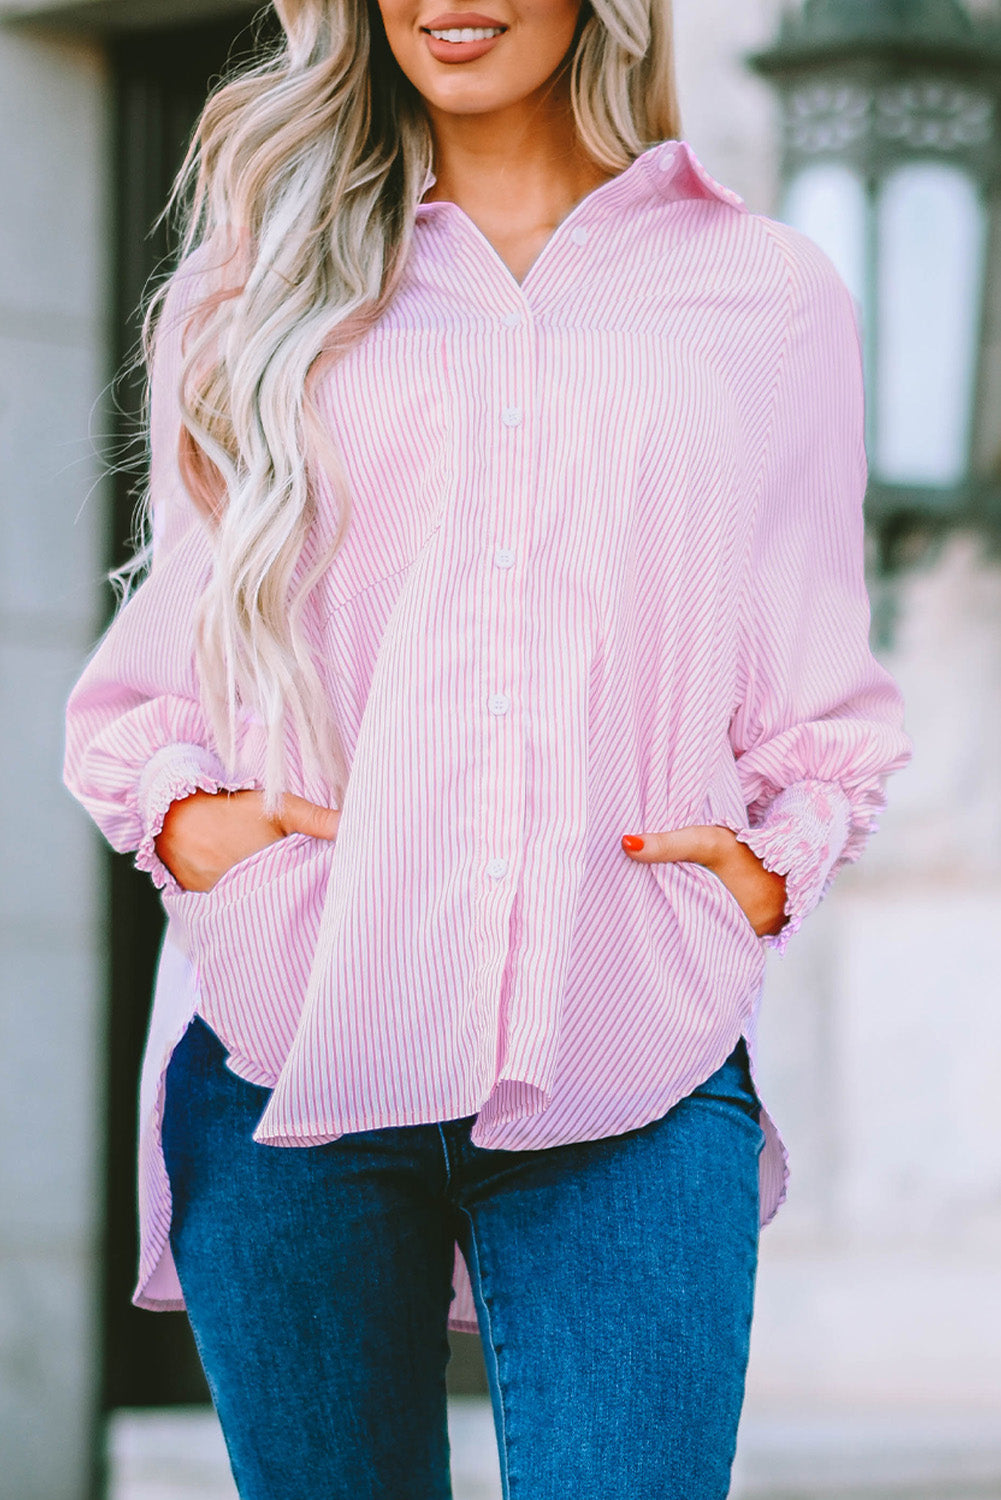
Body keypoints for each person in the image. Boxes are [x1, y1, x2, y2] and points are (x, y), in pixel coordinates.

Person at [63, 0, 913, 1495]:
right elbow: (159, 675)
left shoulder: (763, 293)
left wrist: (765, 871)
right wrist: (197, 826)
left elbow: (811, 678)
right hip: (291, 1047)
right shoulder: (249, 288)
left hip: (628, 1057)